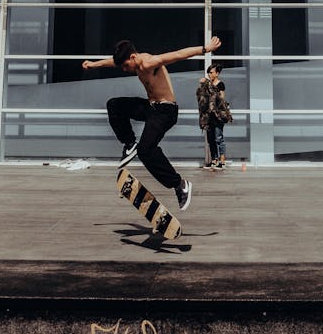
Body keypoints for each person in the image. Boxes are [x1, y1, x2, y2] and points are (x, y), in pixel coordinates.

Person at [82, 34, 221, 212]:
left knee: (146, 151)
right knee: (114, 105)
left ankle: (179, 184)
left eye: (125, 65)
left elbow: (178, 54)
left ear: (133, 57)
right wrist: (93, 64)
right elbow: (112, 62)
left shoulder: (148, 62)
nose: (125, 70)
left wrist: (205, 49)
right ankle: (129, 143)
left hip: (166, 111)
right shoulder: (131, 61)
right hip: (151, 108)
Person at [197, 62, 232, 169]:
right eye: (208, 72)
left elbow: (220, 99)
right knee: (210, 139)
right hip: (208, 116)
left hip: (217, 116)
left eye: (211, 72)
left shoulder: (220, 84)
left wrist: (207, 83)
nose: (209, 74)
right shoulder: (207, 84)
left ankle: (222, 161)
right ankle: (214, 160)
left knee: (219, 138)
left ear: (217, 73)